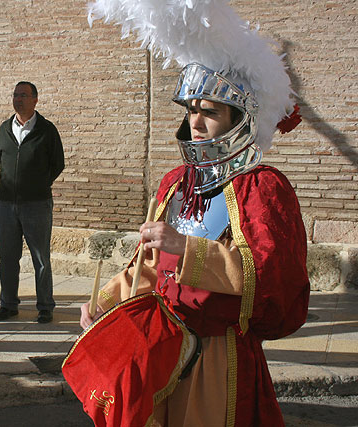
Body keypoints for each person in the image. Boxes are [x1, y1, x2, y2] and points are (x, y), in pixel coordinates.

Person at [74, 1, 310, 425]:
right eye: (191, 109)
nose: (195, 123)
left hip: (217, 359)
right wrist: (105, 302)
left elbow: (272, 277)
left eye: (210, 111)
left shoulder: (261, 187)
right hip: (159, 346)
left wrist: (188, 249)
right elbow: (148, 267)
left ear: (238, 118)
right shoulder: (175, 183)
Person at [0, 81, 65, 323]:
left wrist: (37, 184)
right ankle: (8, 304)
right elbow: (1, 161)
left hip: (37, 204)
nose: (18, 99)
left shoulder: (47, 130)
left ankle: (45, 306)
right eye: (15, 95)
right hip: (6, 204)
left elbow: (58, 164)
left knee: (40, 258)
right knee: (8, 257)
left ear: (35, 99)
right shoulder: (4, 129)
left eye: (23, 95)